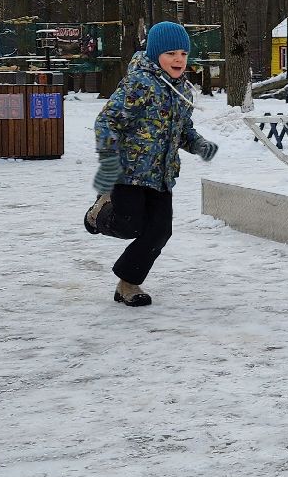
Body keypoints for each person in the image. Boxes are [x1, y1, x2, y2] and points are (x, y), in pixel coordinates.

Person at [91, 21, 219, 306]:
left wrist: (198, 144)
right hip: (129, 173)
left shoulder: (183, 91)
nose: (178, 59)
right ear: (154, 54)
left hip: (161, 175)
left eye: (183, 54)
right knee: (130, 226)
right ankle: (99, 214)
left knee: (160, 231)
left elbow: (184, 129)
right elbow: (106, 120)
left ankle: (128, 283)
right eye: (171, 53)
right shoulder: (139, 84)